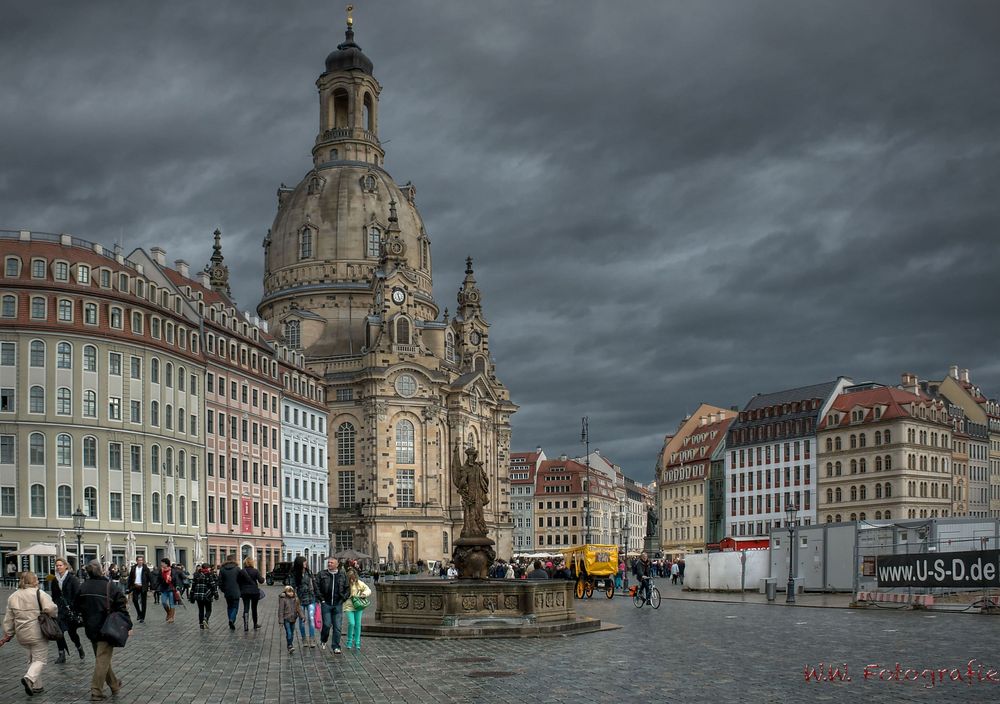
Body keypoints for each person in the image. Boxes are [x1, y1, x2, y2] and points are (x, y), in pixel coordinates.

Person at [75, 560, 131, 701]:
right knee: (102, 659)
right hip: (107, 627)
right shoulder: (109, 586)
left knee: (102, 658)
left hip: (90, 627)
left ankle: (114, 684)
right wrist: (128, 624)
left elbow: (76, 606)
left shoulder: (83, 587)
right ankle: (96, 690)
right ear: (101, 570)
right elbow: (121, 606)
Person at [1, 571, 58, 695]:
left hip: (22, 633)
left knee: (31, 658)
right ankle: (29, 678)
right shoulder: (39, 593)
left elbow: (8, 618)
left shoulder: (13, 596)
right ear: (34, 581)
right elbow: (51, 609)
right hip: (37, 632)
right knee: (40, 659)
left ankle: (37, 685)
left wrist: (8, 633)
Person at [51, 557, 85, 663]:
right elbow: (54, 595)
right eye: (57, 565)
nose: (58, 567)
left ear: (65, 566)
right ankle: (61, 654)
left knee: (72, 633)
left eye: (60, 565)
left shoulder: (72, 579)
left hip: (70, 610)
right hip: (60, 610)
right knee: (59, 633)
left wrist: (76, 608)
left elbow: (78, 594)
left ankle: (79, 647)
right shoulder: (54, 580)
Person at [317, 557, 348, 653]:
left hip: (337, 603)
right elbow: (316, 587)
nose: (329, 564)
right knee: (326, 624)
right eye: (328, 562)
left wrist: (343, 599)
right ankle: (324, 639)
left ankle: (336, 646)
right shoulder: (322, 574)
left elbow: (347, 588)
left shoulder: (342, 575)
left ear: (337, 564)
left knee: (337, 627)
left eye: (331, 563)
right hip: (326, 603)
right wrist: (321, 599)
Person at [290, 555, 318, 647]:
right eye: (304, 562)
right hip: (300, 600)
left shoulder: (309, 572)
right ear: (299, 563)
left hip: (311, 598)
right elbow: (292, 587)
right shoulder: (294, 574)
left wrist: (318, 597)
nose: (306, 563)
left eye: (306, 562)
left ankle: (312, 638)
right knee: (302, 620)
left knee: (311, 618)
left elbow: (314, 584)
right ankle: (304, 638)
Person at [343, 568, 371, 651]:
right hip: (348, 606)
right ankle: (349, 641)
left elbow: (368, 590)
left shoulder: (359, 583)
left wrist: (364, 594)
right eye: (350, 578)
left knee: (358, 624)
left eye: (353, 577)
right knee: (351, 623)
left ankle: (357, 642)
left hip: (358, 606)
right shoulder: (345, 584)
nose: (352, 579)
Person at [237, 557, 265, 631]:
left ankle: (246, 626)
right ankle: (255, 624)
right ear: (252, 563)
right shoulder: (255, 571)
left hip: (244, 592)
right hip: (254, 592)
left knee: (246, 607)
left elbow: (238, 581)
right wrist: (262, 578)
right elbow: (261, 581)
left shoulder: (241, 571)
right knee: (254, 608)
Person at [190, 563, 219, 629]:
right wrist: (216, 594)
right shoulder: (209, 575)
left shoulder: (196, 575)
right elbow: (213, 585)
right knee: (209, 609)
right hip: (207, 595)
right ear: (207, 568)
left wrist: (191, 596)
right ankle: (205, 619)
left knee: (201, 610)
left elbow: (193, 586)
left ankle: (201, 624)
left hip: (198, 595)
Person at [217, 554, 242, 631]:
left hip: (227, 591)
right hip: (236, 590)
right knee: (235, 607)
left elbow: (220, 581)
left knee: (229, 606)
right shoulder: (237, 569)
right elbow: (241, 580)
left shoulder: (222, 569)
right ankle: (232, 619)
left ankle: (230, 620)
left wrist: (223, 589)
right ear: (234, 560)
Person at [277, 585, 305, 654]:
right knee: (289, 633)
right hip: (286, 618)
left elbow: (299, 609)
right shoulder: (283, 599)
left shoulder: (295, 599)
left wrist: (302, 617)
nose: (291, 593)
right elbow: (281, 610)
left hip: (293, 618)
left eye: (292, 592)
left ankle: (290, 644)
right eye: (289, 592)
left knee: (292, 633)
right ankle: (290, 645)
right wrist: (281, 621)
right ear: (286, 592)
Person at [126, 556, 152, 623]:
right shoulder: (133, 568)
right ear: (136, 561)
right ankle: (139, 613)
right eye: (139, 560)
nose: (140, 561)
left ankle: (142, 617)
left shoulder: (146, 569)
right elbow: (130, 578)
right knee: (134, 600)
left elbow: (150, 578)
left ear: (143, 561)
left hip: (143, 587)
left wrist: (151, 587)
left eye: (141, 560)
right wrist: (128, 587)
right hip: (135, 586)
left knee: (143, 603)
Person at [155, 558, 182, 623]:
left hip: (171, 588)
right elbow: (158, 580)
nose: (161, 564)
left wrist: (177, 588)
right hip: (164, 589)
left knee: (171, 603)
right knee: (164, 602)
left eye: (162, 563)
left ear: (166, 563)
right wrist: (154, 587)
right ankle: (168, 613)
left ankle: (171, 618)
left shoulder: (172, 570)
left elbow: (176, 580)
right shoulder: (161, 571)